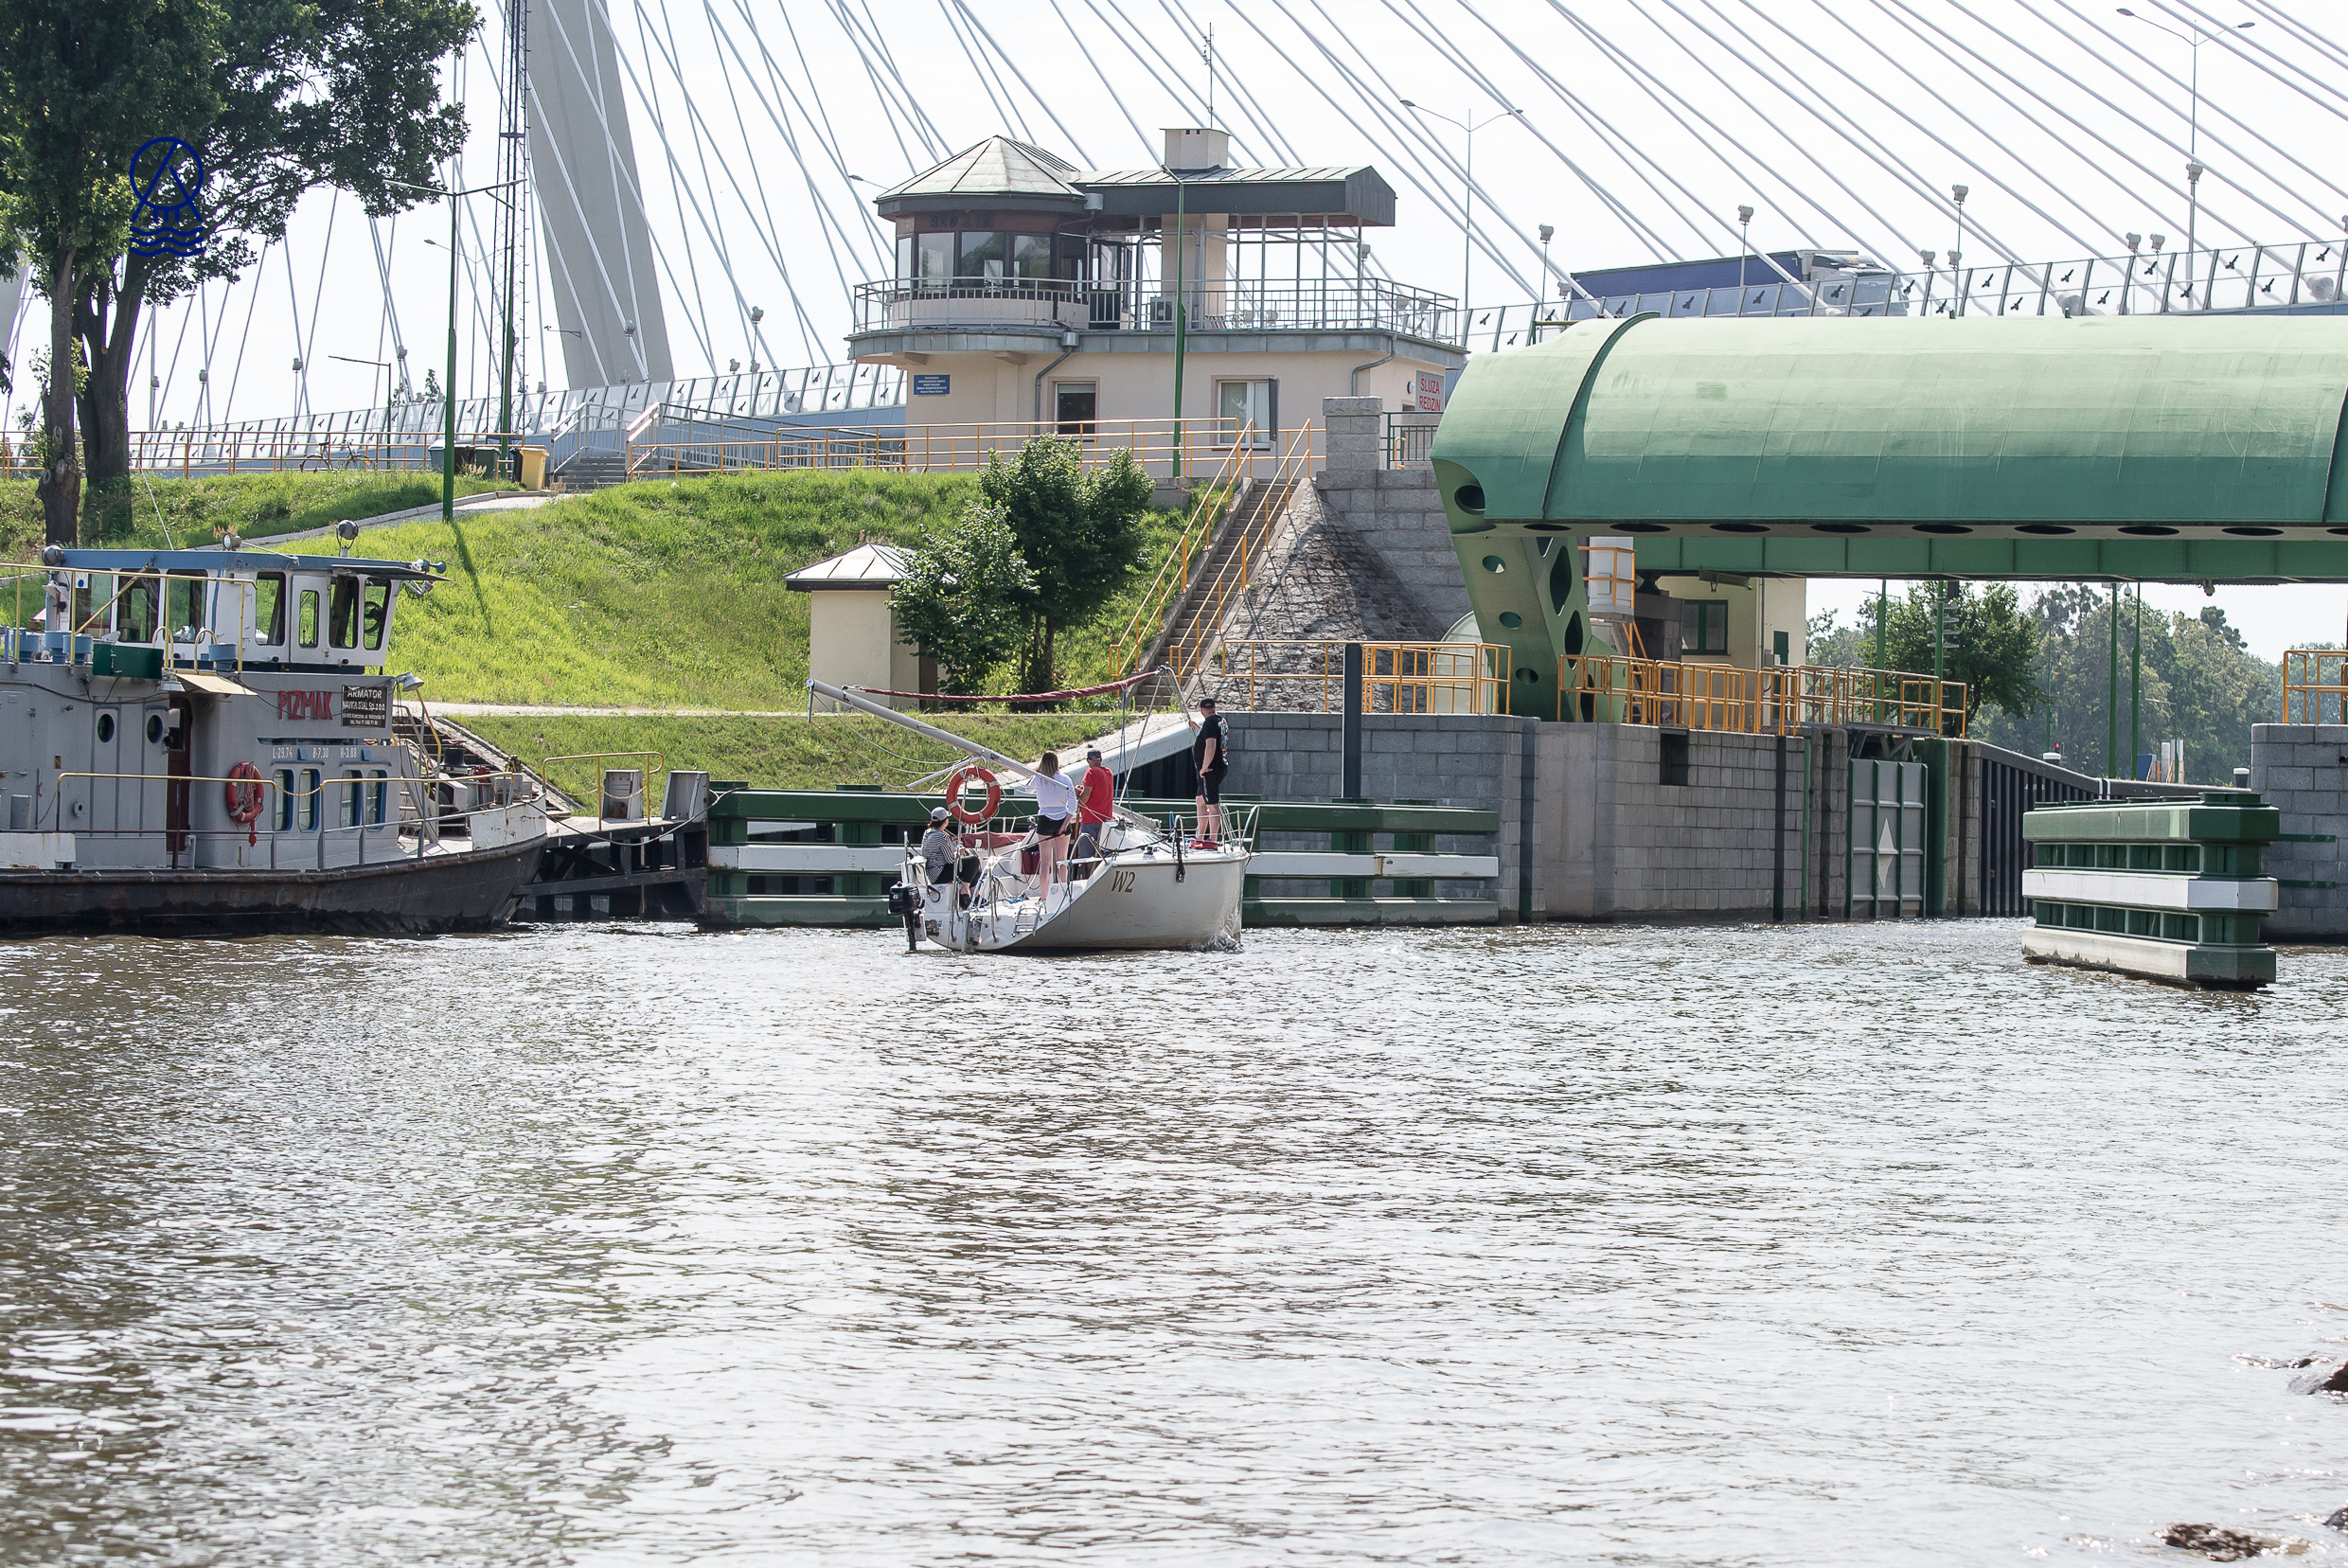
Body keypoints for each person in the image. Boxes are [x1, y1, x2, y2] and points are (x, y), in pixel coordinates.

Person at [1027, 752, 1079, 902]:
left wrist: (1035, 772)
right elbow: (1073, 806)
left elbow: (1027, 789)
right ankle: (1064, 895)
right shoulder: (1065, 779)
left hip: (1045, 820)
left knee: (1045, 862)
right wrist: (1064, 825)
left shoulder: (1039, 779)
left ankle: (1044, 897)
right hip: (1062, 818)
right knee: (1062, 860)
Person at [1189, 696, 1230, 846]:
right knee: (1200, 801)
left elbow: (1211, 745)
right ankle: (1200, 837)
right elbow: (1210, 734)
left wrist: (1205, 767)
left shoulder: (1209, 724)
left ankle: (1212, 840)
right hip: (1219, 766)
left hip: (1210, 770)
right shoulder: (1220, 721)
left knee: (1212, 805)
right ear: (1214, 707)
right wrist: (1196, 728)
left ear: (1201, 710)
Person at [1075, 746, 1114, 868]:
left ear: (1088, 761)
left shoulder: (1090, 772)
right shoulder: (1108, 772)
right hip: (1105, 820)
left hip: (1090, 820)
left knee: (1086, 856)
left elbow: (1086, 795)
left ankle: (1087, 880)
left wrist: (1077, 802)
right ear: (1101, 759)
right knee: (1100, 855)